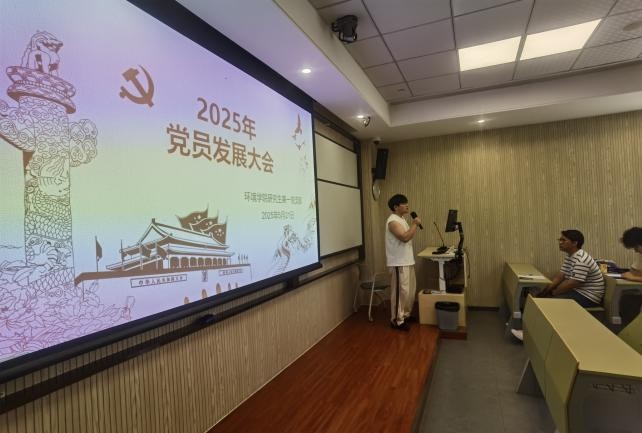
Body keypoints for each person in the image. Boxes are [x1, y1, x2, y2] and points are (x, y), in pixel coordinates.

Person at [511, 229, 604, 341]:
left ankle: (531, 335)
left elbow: (573, 283)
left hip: (588, 296)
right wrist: (545, 291)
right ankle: (527, 330)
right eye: (560, 240)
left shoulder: (582, 259)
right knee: (539, 297)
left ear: (574, 243)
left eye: (563, 240)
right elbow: (559, 277)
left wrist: (553, 293)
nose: (560, 242)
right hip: (578, 291)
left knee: (549, 304)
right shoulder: (570, 256)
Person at [385, 194, 422, 331]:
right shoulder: (392, 221)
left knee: (409, 291)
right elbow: (405, 237)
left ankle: (405, 315)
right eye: (404, 203)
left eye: (407, 202)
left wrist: (413, 225)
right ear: (396, 207)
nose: (407, 205)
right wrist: (415, 224)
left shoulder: (402, 219)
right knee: (401, 292)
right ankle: (396, 320)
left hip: (407, 261)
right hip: (398, 262)